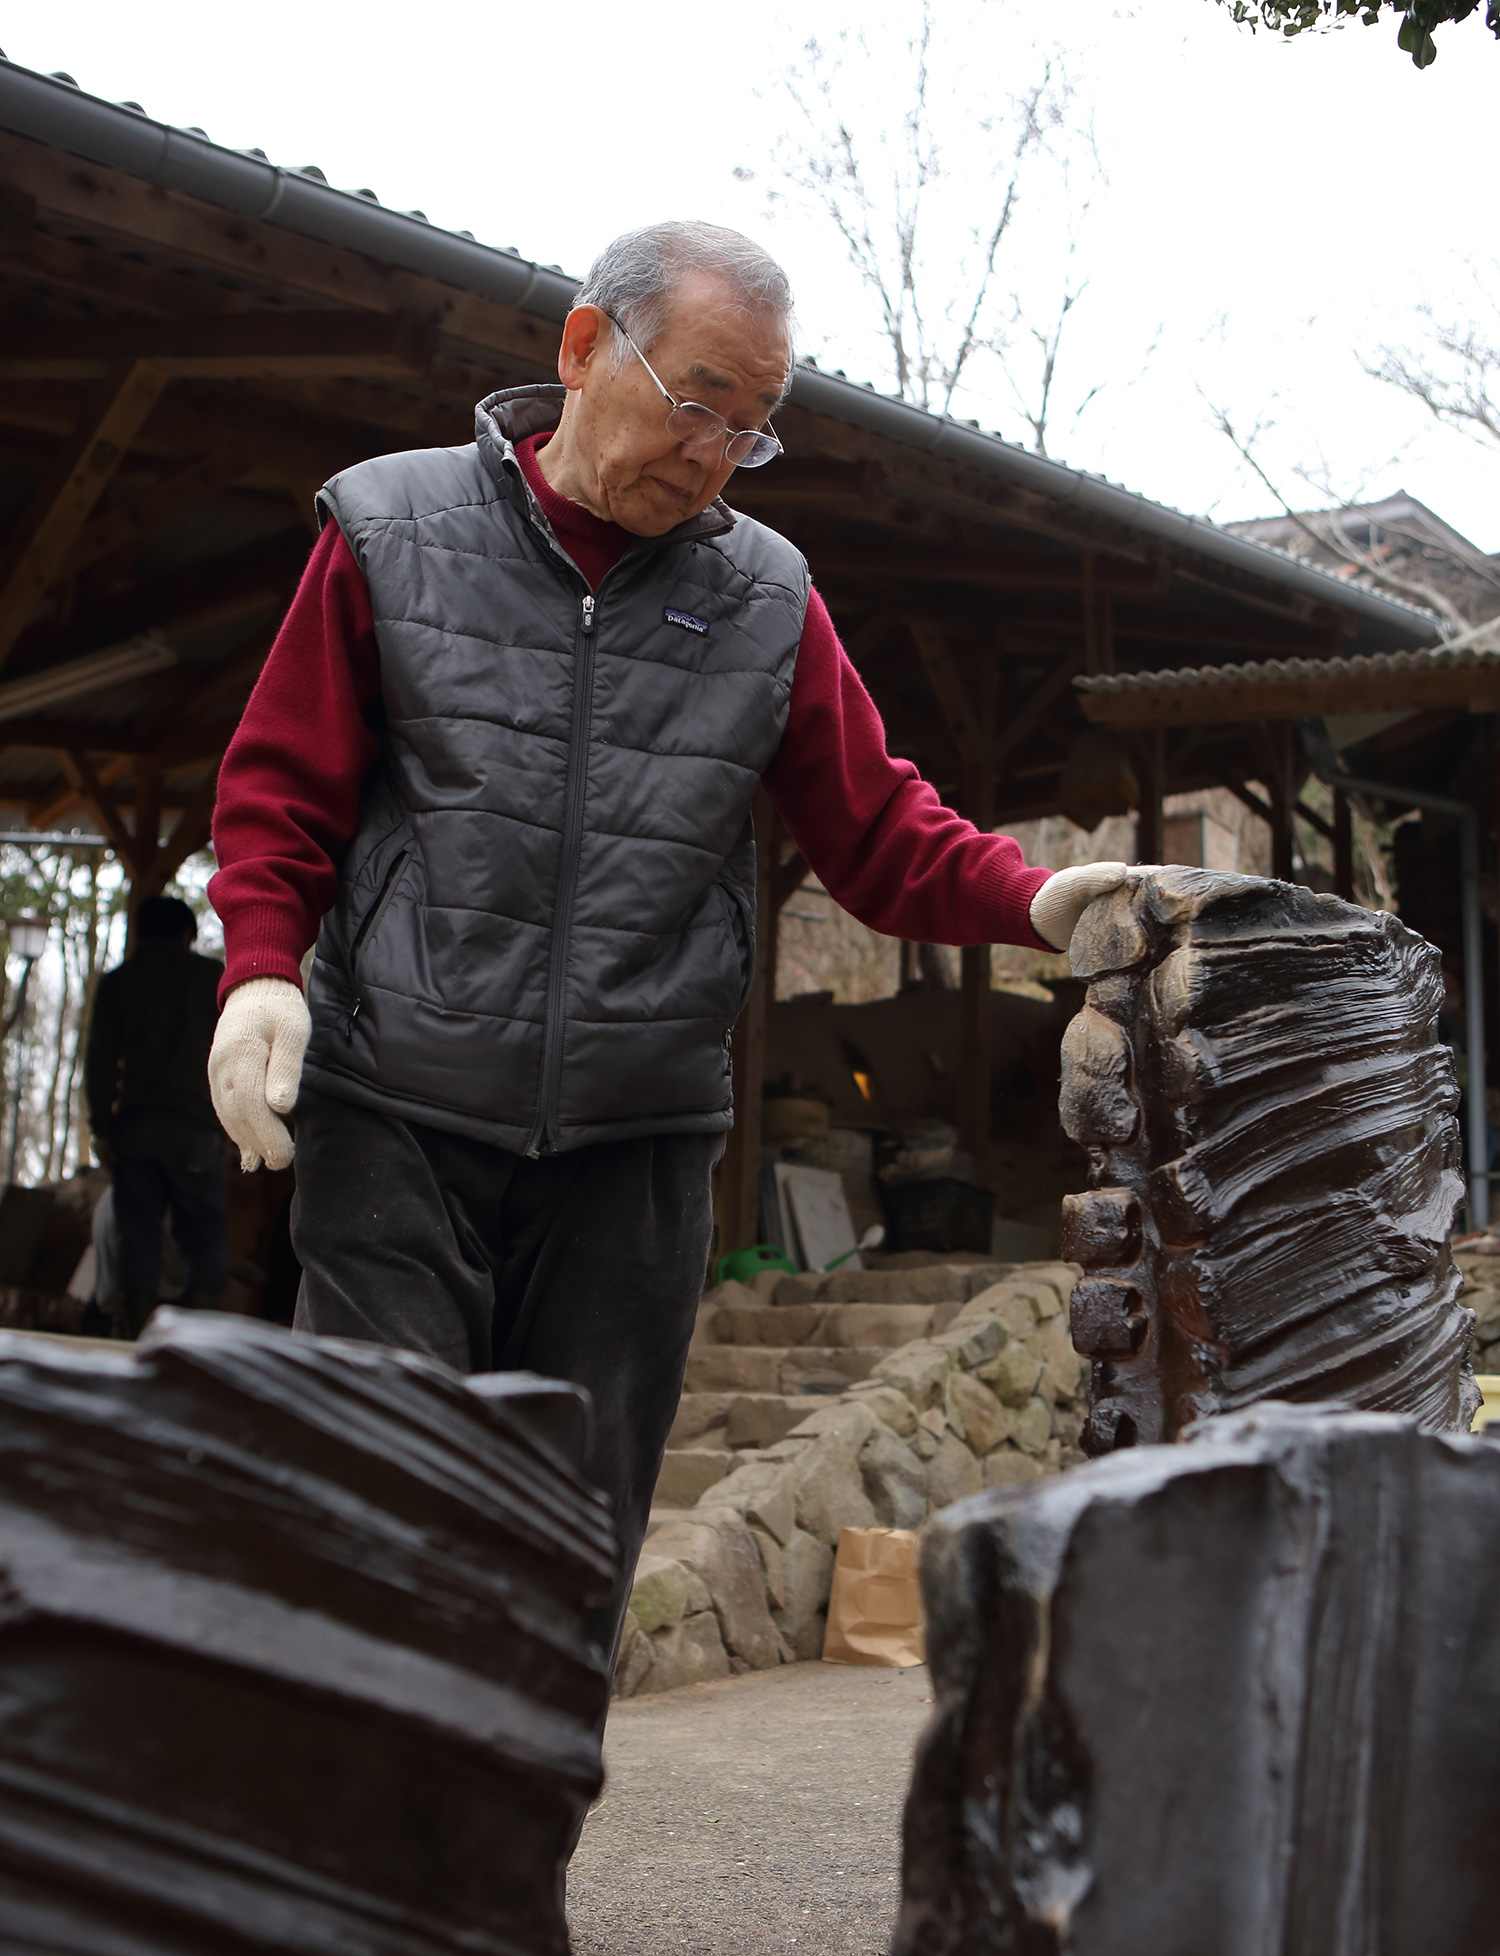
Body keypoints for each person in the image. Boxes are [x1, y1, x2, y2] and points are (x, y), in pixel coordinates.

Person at [206, 221, 1125, 1663]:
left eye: (751, 431)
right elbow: (283, 787)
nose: (712, 454)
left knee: (570, 1550)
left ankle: (511, 1885)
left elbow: (882, 829)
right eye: (697, 401)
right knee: (381, 1514)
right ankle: (369, 1881)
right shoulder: (388, 527)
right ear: (582, 348)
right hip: (398, 1113)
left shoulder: (763, 595)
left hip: (633, 1149)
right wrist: (260, 966)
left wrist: (1040, 901)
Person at [85, 894, 228, 1334]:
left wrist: (102, 1129)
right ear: (186, 933)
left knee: (137, 1233)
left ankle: (136, 1337)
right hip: (196, 1127)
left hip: (137, 1127)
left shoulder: (120, 981)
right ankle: (195, 1344)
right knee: (203, 1233)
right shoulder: (212, 978)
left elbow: (100, 1062)